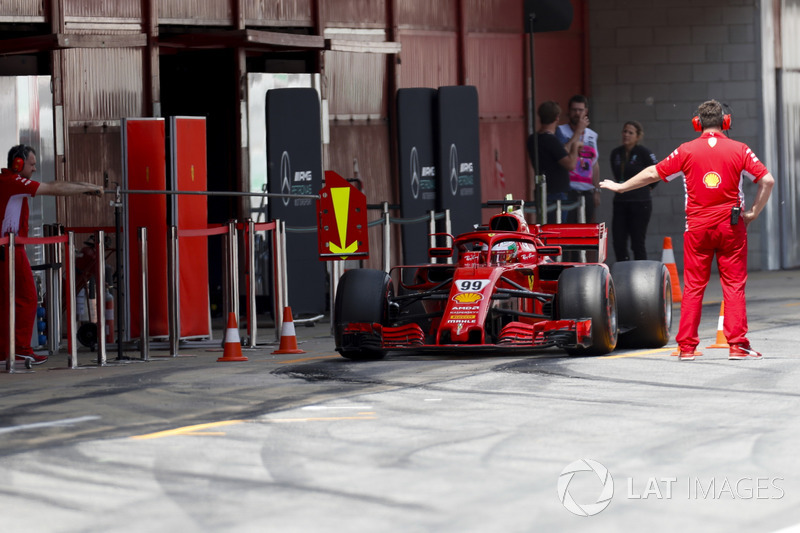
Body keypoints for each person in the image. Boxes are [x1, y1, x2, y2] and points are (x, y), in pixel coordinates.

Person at [599, 100, 775, 361]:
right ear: (726, 122)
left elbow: (652, 173)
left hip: (697, 227)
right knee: (734, 285)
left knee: (693, 286)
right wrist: (753, 213)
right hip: (731, 226)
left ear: (697, 123)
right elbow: (767, 181)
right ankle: (737, 345)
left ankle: (687, 348)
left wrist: (621, 186)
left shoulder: (686, 150)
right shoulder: (740, 149)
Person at [1, 144, 103, 365]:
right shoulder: (13, 182)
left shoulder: (11, 183)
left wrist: (86, 187)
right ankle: (19, 349)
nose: (34, 169)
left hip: (10, 249)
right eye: (32, 164)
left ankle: (7, 350)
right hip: (8, 250)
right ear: (18, 164)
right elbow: (53, 187)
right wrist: (86, 187)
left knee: (9, 301)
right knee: (26, 298)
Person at [609, 121, 659, 261]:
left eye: (630, 132)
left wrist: (648, 187)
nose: (626, 135)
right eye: (625, 131)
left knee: (637, 242)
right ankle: (622, 274)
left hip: (640, 203)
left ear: (638, 136)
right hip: (620, 202)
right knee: (618, 241)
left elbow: (658, 171)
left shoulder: (644, 152)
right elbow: (616, 174)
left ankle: (641, 275)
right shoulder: (616, 153)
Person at [527, 101, 580, 223]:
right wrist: (575, 147)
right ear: (557, 117)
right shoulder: (551, 140)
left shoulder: (532, 139)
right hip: (556, 192)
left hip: (542, 190)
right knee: (556, 232)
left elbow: (559, 151)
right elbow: (570, 164)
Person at [556, 95, 600, 223]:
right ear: (568, 111)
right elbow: (562, 152)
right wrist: (578, 132)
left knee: (586, 232)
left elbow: (595, 164)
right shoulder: (561, 131)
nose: (577, 113)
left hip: (587, 191)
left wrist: (596, 190)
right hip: (568, 190)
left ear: (586, 111)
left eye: (580, 110)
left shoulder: (592, 135)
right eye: (574, 110)